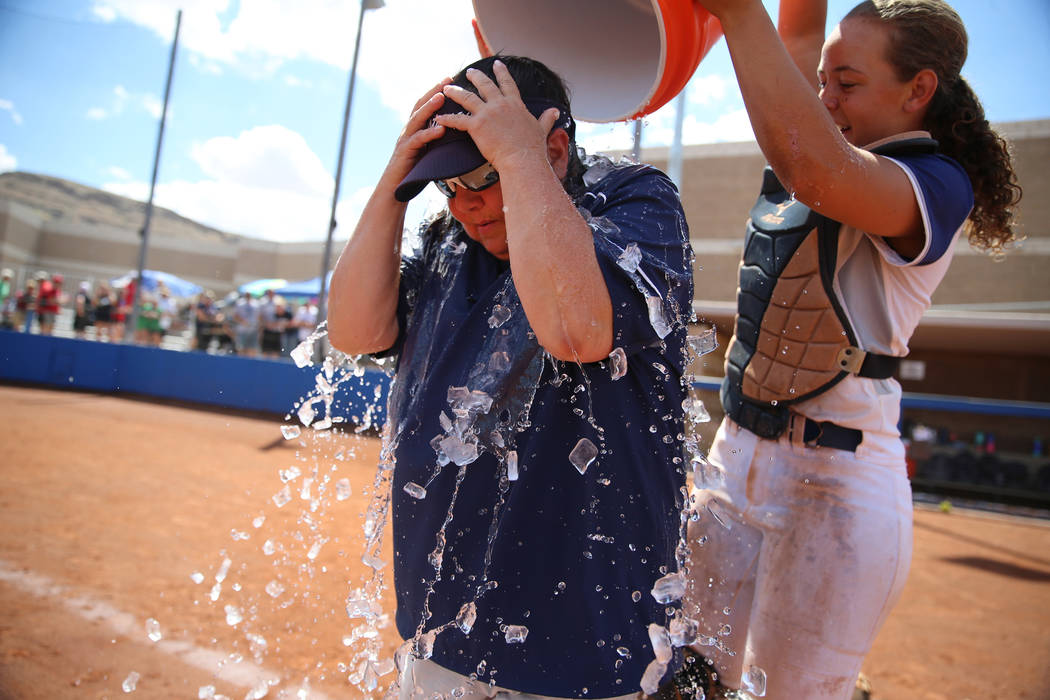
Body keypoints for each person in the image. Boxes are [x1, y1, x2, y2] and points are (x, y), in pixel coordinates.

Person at [681, 1, 1021, 699]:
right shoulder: (822, 128)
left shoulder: (937, 182)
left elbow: (818, 172)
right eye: (823, 80)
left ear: (918, 90)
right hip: (737, 454)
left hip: (834, 481)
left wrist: (738, 13)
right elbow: (799, 32)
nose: (824, 95)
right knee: (685, 681)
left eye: (848, 82)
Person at [327, 55, 695, 698]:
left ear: (556, 148)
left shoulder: (635, 201)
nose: (468, 208)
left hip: (586, 641)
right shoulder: (449, 242)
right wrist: (397, 178)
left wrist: (522, 162)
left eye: (484, 177)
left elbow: (578, 331)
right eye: (450, 188)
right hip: (446, 631)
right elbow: (355, 332)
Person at [231, 291, 261, 357]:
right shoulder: (239, 303)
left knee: (252, 348)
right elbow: (235, 316)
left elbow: (259, 317)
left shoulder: (256, 304)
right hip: (242, 330)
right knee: (241, 348)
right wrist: (243, 322)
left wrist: (258, 327)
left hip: (253, 329)